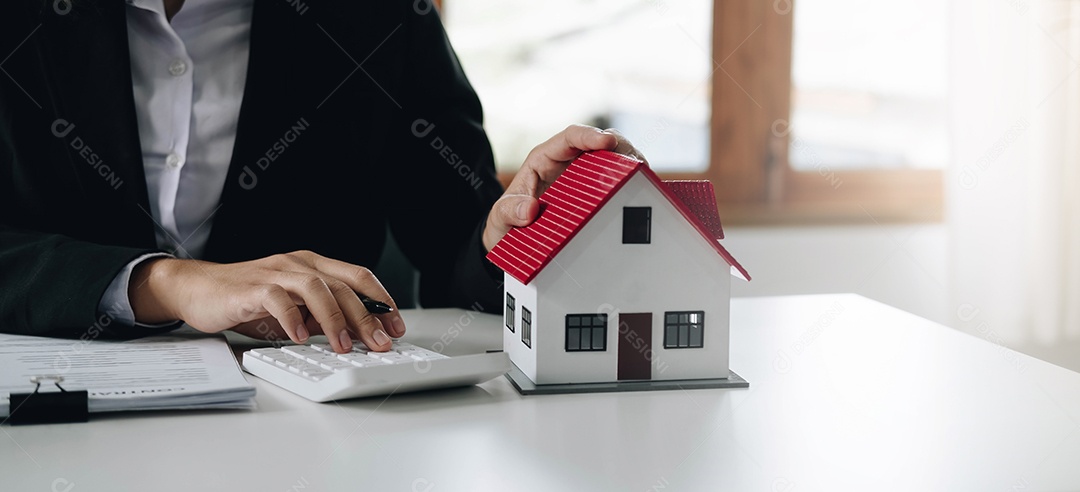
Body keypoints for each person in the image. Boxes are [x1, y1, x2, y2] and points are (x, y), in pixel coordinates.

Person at [0, 0, 644, 353]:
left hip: (311, 412)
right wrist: (166, 283)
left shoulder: (380, 17)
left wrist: (518, 232)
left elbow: (457, 247)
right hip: (57, 396)